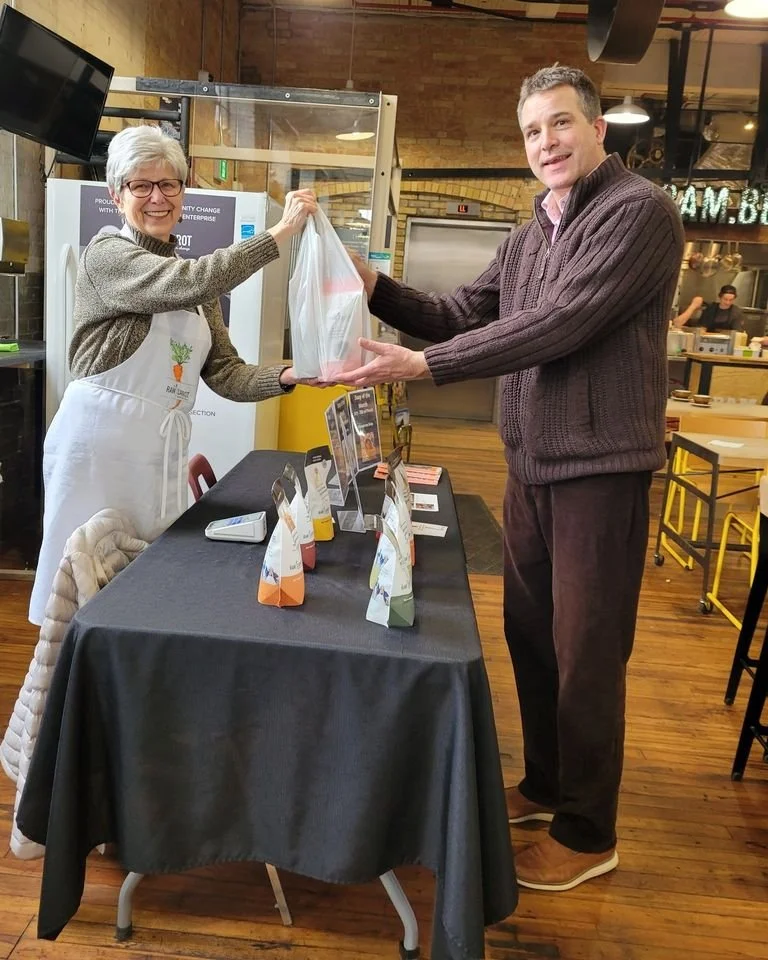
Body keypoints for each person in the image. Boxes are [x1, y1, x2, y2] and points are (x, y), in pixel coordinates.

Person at [334, 66, 684, 891]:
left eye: (561, 124)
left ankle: (590, 831)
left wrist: (425, 365)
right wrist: (376, 284)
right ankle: (548, 785)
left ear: (599, 130)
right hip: (533, 468)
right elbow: (463, 313)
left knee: (587, 651)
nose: (547, 143)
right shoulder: (531, 234)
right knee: (531, 637)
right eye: (533, 132)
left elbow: (560, 324)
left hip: (600, 470)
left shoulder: (639, 214)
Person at [29, 124, 317, 626]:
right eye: (141, 185)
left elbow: (225, 373)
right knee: (79, 596)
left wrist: (290, 375)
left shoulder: (193, 284)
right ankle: (64, 692)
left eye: (169, 185)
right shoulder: (108, 255)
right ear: (117, 196)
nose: (157, 197)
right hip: (97, 451)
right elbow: (190, 279)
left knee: (145, 596)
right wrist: (280, 234)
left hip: (155, 456)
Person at [672, 285, 744, 331]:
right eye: (725, 299)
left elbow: (737, 333)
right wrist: (693, 306)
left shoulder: (736, 312)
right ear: (720, 297)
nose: (727, 302)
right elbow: (677, 323)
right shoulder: (710, 308)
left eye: (731, 300)